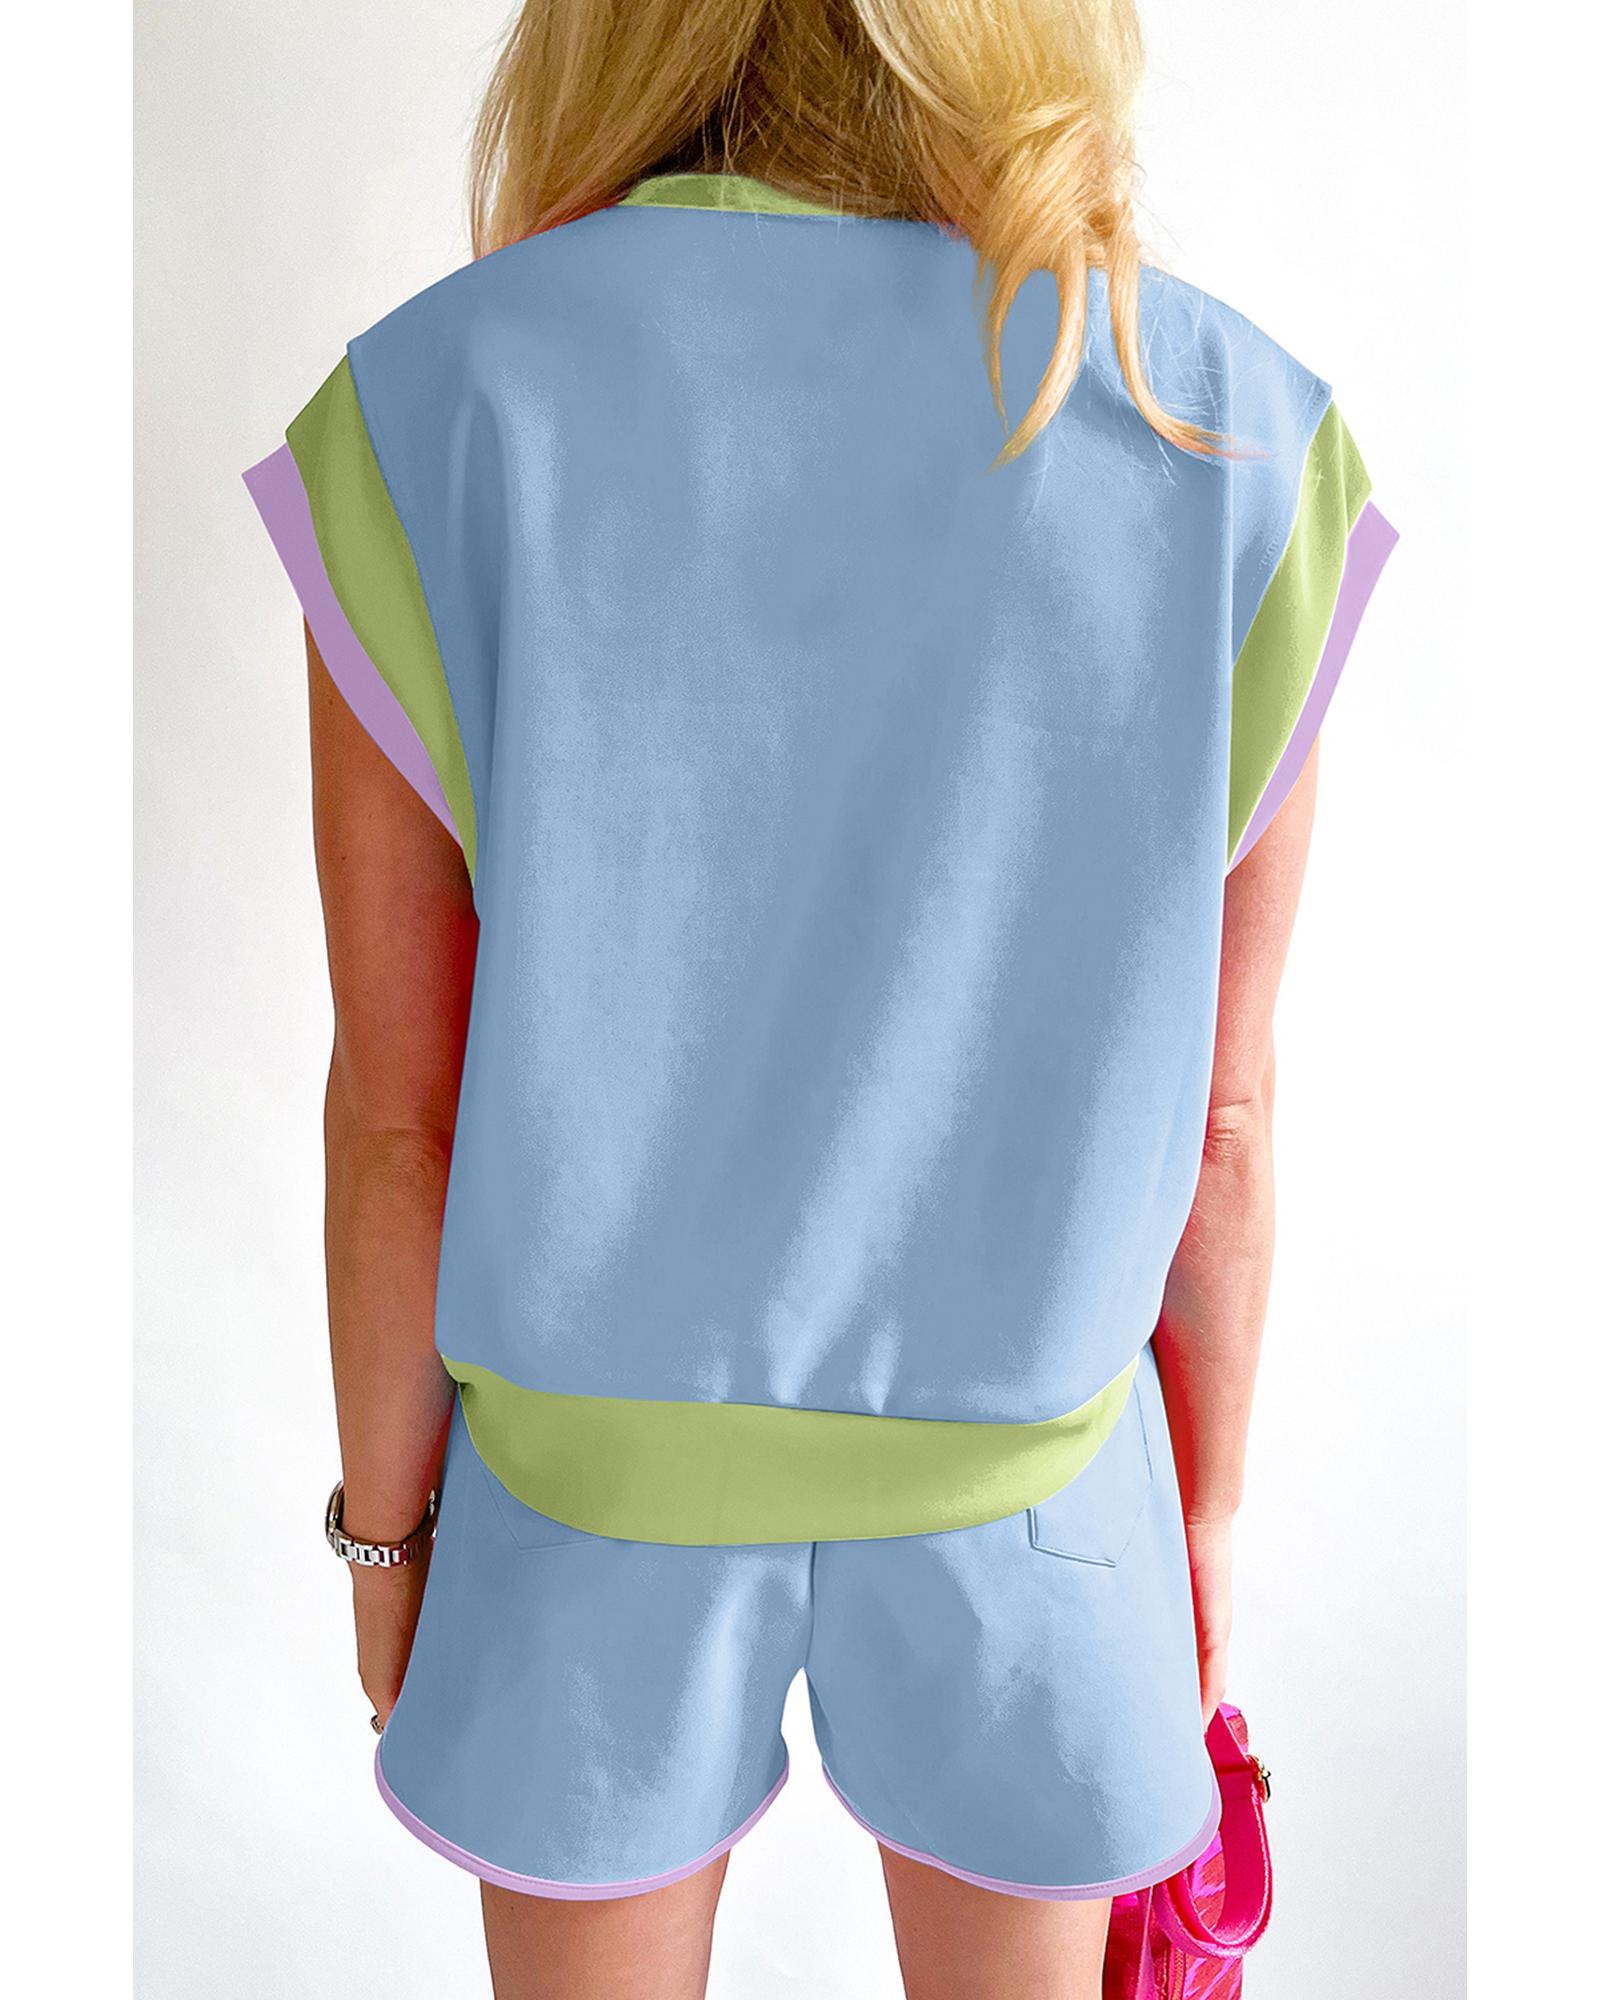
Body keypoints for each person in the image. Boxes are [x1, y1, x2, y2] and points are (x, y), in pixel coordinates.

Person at [244, 3, 1396, 1993]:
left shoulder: (444, 399)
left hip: (578, 1492)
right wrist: (1200, 1525)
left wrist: (387, 1540)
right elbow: (1222, 1117)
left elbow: (398, 1123)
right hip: (1039, 1487)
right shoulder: (1219, 426)